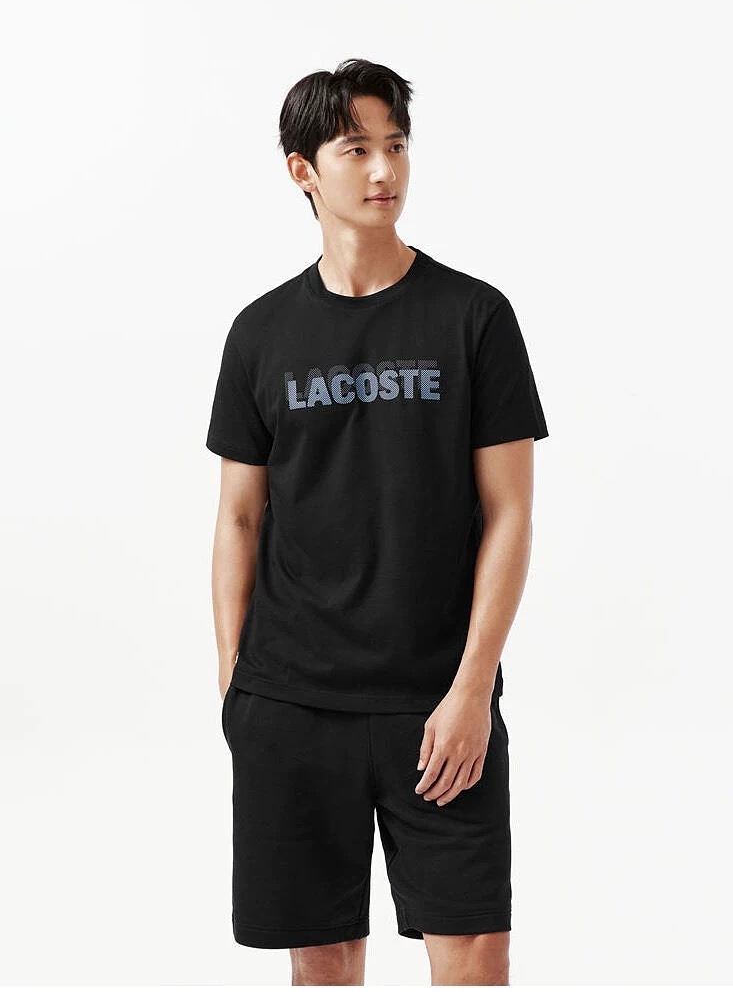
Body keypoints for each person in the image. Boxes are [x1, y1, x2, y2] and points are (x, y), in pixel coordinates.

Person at [206, 58, 549, 986]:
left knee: (474, 956)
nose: (383, 170)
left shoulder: (474, 316)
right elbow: (239, 519)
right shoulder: (260, 333)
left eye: (395, 145)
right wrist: (237, 685)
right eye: (355, 150)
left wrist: (472, 688)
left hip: (438, 701)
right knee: (322, 963)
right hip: (291, 701)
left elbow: (510, 512)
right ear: (303, 170)